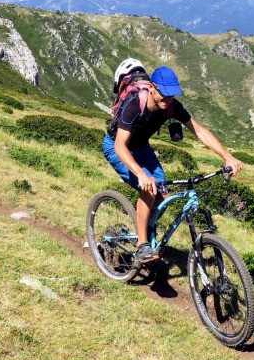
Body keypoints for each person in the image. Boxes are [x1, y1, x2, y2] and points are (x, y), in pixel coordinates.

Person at [103, 63, 242, 263]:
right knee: (149, 189)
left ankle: (145, 228)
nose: (168, 99)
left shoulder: (170, 106)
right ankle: (142, 245)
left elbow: (199, 130)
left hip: (141, 146)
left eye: (172, 95)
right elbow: (120, 146)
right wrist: (141, 175)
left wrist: (227, 156)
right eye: (164, 94)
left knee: (164, 195)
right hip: (118, 147)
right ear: (151, 87)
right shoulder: (134, 104)